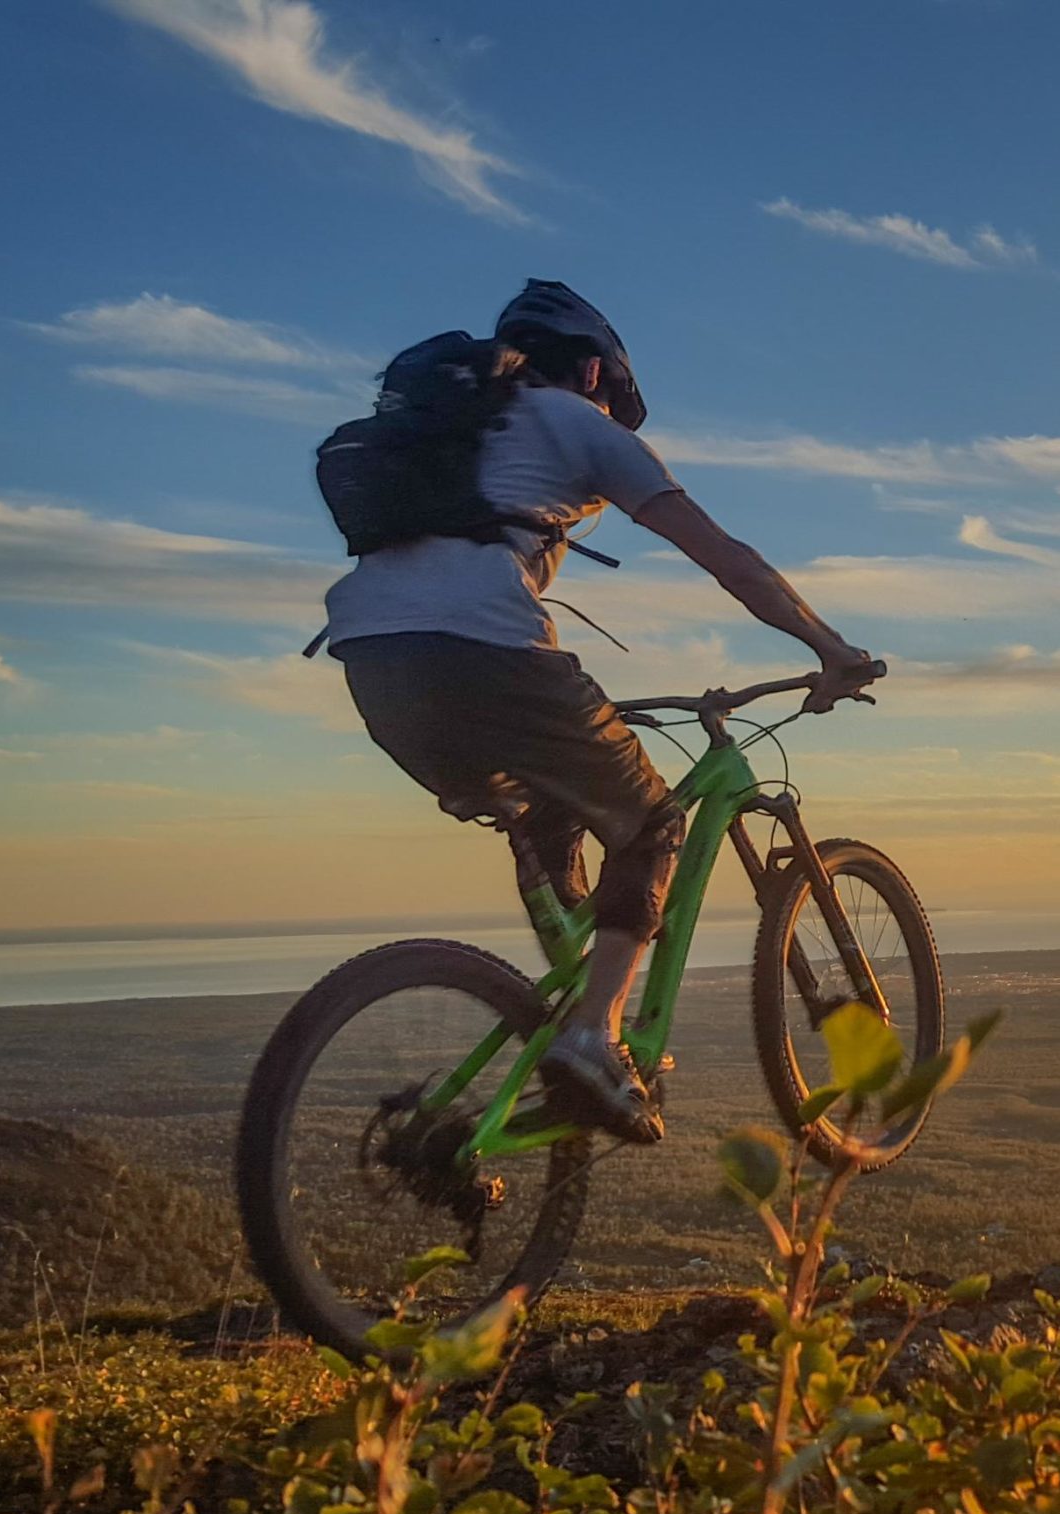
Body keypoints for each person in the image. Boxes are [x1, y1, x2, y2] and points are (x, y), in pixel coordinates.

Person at [320, 279, 876, 1142]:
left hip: (373, 663)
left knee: (554, 805)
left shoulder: (458, 434)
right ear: (591, 371)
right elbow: (725, 555)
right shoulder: (575, 422)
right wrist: (829, 647)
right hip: (487, 650)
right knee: (652, 823)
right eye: (611, 393)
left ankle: (569, 998)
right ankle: (594, 1033)